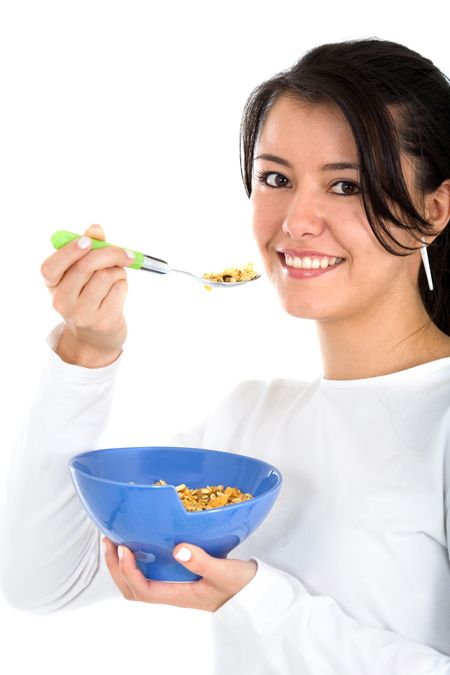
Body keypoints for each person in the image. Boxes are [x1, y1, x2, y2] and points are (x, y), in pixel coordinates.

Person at [1, 37, 450, 674]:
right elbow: (44, 582)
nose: (296, 220)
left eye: (346, 185)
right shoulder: (250, 423)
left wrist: (255, 599)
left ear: (434, 210)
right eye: (276, 178)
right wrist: (84, 353)